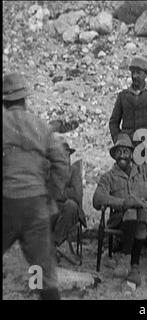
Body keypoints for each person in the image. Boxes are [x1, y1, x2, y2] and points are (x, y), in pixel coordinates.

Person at [3, 73, 69, 300]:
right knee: (42, 271)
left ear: (4, 101)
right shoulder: (40, 125)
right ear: (24, 99)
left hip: (7, 203)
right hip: (36, 206)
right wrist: (51, 195)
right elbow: (61, 162)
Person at [92, 133, 147, 288]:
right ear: (114, 155)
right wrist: (124, 203)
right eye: (118, 152)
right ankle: (133, 264)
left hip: (146, 216)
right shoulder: (109, 177)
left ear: (131, 154)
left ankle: (127, 260)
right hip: (120, 219)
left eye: (125, 151)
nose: (122, 155)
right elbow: (97, 199)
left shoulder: (144, 172)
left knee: (140, 212)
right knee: (131, 211)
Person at [109, 56, 147, 174]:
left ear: (145, 75)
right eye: (133, 72)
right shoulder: (123, 96)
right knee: (125, 180)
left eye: (138, 73)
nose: (135, 76)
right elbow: (113, 122)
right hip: (127, 149)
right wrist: (119, 141)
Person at [51, 142, 87, 265]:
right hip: (54, 209)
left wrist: (58, 192)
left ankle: (52, 245)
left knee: (70, 205)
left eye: (67, 155)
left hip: (71, 211)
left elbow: (77, 195)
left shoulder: (74, 171)